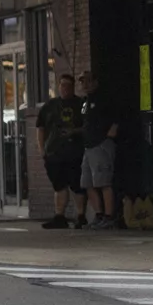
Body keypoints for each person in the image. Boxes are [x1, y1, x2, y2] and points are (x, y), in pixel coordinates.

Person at [34, 65, 86, 230]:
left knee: (77, 185)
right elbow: (40, 128)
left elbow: (89, 126)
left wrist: (74, 132)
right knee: (59, 185)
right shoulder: (49, 106)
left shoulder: (81, 104)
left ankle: (81, 216)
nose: (65, 88)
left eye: (68, 86)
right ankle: (59, 216)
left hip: (75, 153)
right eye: (62, 85)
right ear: (58, 86)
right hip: (54, 153)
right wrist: (42, 149)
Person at [78, 73, 118, 229]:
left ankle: (109, 216)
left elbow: (117, 116)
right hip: (88, 147)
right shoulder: (85, 102)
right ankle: (99, 214)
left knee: (104, 182)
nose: (85, 85)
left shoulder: (104, 98)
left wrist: (111, 131)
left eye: (88, 81)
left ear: (96, 81)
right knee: (87, 183)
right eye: (83, 82)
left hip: (100, 144)